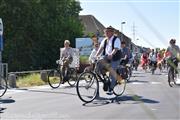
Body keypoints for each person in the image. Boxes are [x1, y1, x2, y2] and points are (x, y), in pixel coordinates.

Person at [95, 26, 121, 94]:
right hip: (107, 57)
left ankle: (111, 89)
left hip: (115, 57)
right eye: (105, 32)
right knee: (99, 64)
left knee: (112, 71)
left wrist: (111, 54)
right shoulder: (105, 40)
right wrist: (96, 55)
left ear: (112, 32)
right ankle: (106, 79)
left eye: (108, 31)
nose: (106, 33)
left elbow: (115, 49)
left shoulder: (116, 39)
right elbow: (100, 48)